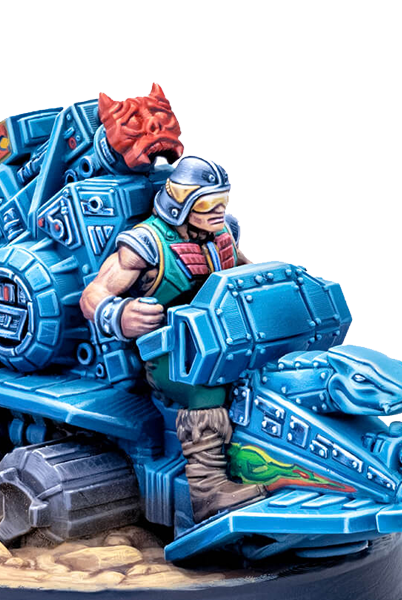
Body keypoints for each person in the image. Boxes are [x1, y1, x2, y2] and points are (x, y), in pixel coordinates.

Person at [80, 156, 268, 522]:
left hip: (226, 338)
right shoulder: (145, 244)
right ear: (181, 202)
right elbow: (93, 295)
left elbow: (248, 273)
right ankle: (208, 491)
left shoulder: (224, 233)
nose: (218, 211)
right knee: (205, 387)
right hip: (170, 352)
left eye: (222, 200)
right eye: (207, 203)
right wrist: (121, 314)